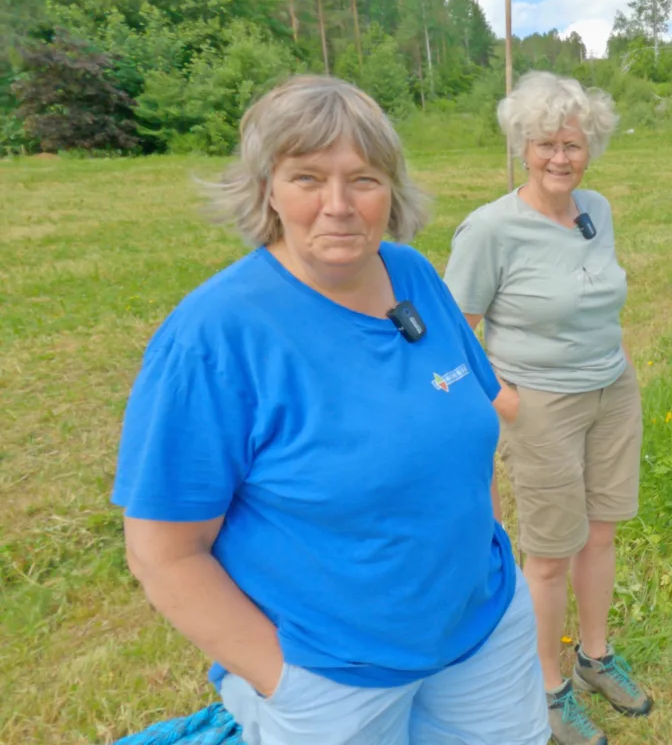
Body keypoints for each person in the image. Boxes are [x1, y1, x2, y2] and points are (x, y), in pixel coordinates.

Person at [112, 75, 549, 745]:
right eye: (308, 178)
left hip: (481, 629)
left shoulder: (414, 276)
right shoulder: (215, 337)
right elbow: (163, 552)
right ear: (267, 188)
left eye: (364, 179)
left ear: (392, 190)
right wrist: (286, 681)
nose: (339, 205)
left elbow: (464, 427)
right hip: (333, 677)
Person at [443, 71, 651, 745]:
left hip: (611, 392)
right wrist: (505, 400)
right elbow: (455, 335)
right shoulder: (490, 230)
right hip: (541, 408)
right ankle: (547, 690)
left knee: (601, 532)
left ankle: (595, 659)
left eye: (574, 143)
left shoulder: (597, 208)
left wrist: (612, 363)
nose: (561, 157)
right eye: (546, 144)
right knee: (550, 555)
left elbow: (599, 294)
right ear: (521, 146)